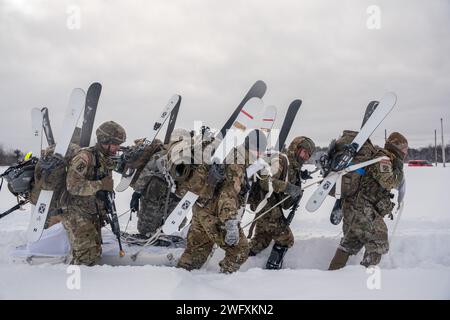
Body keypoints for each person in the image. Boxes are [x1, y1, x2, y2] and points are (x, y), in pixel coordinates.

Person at [177, 130, 267, 273]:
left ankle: (178, 278)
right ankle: (221, 283)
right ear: (251, 147)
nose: (260, 155)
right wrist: (230, 222)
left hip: (202, 207)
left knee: (196, 252)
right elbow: (228, 194)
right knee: (240, 250)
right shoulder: (238, 161)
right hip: (215, 214)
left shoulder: (234, 154)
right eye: (258, 151)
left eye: (262, 152)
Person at [328, 132, 408, 270]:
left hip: (354, 208)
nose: (406, 152)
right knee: (379, 240)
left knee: (349, 243)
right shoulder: (383, 158)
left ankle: (332, 275)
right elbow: (389, 182)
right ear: (397, 147)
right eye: (405, 148)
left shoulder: (384, 158)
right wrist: (399, 172)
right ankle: (365, 280)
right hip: (361, 208)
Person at [62, 121, 126, 266]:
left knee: (95, 253)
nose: (118, 147)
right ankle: (75, 284)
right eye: (115, 143)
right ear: (105, 141)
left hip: (91, 212)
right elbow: (72, 186)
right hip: (76, 213)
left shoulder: (104, 157)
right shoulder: (85, 157)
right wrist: (100, 185)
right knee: (87, 260)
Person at [247, 136, 316, 269]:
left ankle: (243, 264)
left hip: (270, 207)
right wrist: (289, 187)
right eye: (304, 152)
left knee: (261, 240)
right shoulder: (280, 160)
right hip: (266, 206)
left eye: (308, 154)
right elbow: (266, 182)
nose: (306, 156)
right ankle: (272, 272)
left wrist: (298, 179)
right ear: (296, 149)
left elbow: (285, 183)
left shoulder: (292, 167)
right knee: (286, 238)